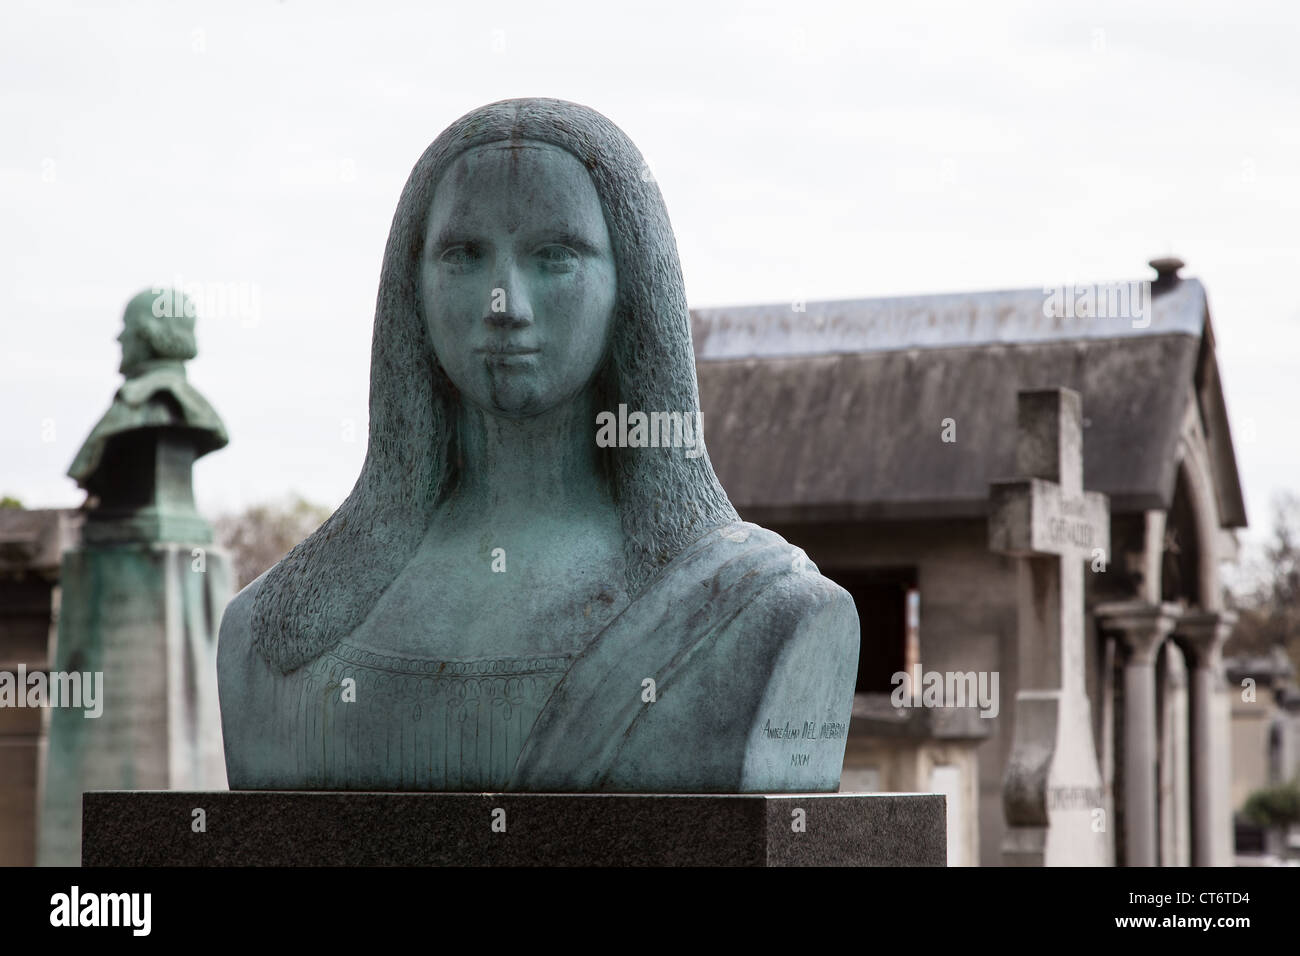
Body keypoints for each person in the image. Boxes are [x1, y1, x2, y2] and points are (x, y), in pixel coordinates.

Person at [218, 98, 858, 793]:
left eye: (555, 257)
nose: (505, 305)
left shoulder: (759, 614)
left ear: (632, 286)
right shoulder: (264, 640)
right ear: (413, 285)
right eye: (464, 255)